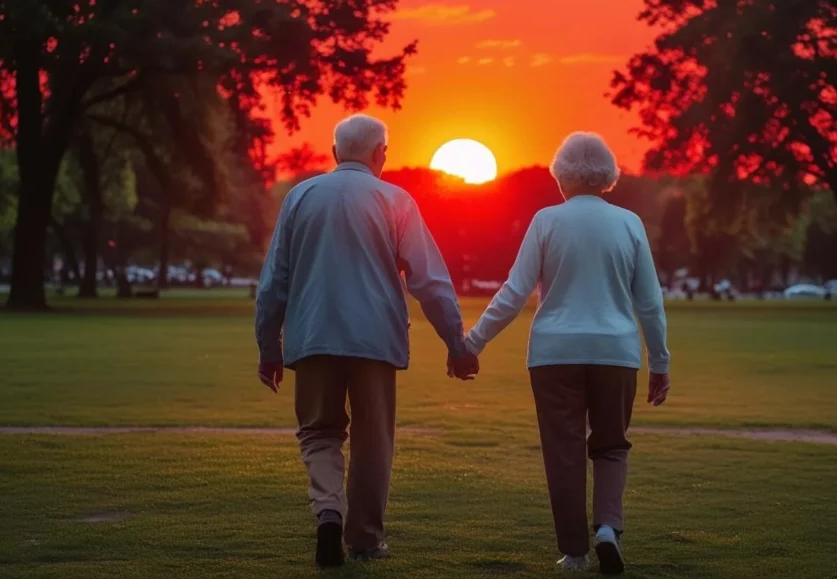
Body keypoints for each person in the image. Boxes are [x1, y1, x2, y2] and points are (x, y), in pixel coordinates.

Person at [254, 113, 479, 568]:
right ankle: (365, 539)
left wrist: (269, 346)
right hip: (375, 340)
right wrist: (456, 342)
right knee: (374, 440)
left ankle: (328, 511)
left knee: (318, 432)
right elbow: (429, 281)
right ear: (381, 154)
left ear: (335, 153)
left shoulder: (300, 197)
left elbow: (274, 282)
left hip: (313, 334)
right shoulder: (395, 200)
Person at [464, 132, 671, 574]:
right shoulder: (629, 223)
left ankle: (574, 552)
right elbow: (649, 302)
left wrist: (472, 342)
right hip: (616, 351)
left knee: (564, 451)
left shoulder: (546, 221)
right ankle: (608, 530)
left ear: (561, 175)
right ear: (607, 177)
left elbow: (514, 292)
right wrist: (661, 361)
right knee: (612, 446)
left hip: (554, 353)